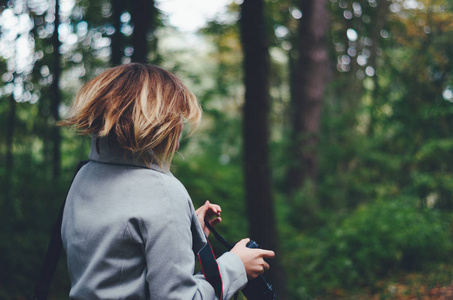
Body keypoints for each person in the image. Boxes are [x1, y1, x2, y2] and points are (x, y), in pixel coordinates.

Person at [59, 63, 275, 300]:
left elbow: (117, 269)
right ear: (157, 121)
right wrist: (236, 267)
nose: (181, 125)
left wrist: (183, 229)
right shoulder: (163, 192)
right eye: (177, 116)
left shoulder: (84, 175)